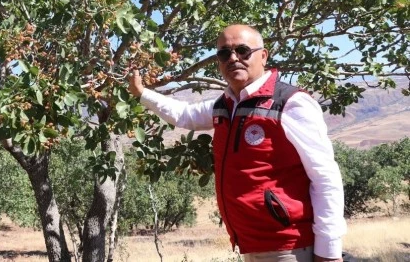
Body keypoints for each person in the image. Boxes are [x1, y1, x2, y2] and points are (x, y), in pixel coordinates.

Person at [128, 25, 346, 262]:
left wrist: (329, 251)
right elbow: (184, 114)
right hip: (250, 246)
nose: (233, 58)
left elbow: (325, 177)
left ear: (263, 56)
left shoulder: (291, 104)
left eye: (243, 50)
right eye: (224, 53)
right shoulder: (226, 104)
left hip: (288, 246)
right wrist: (141, 93)